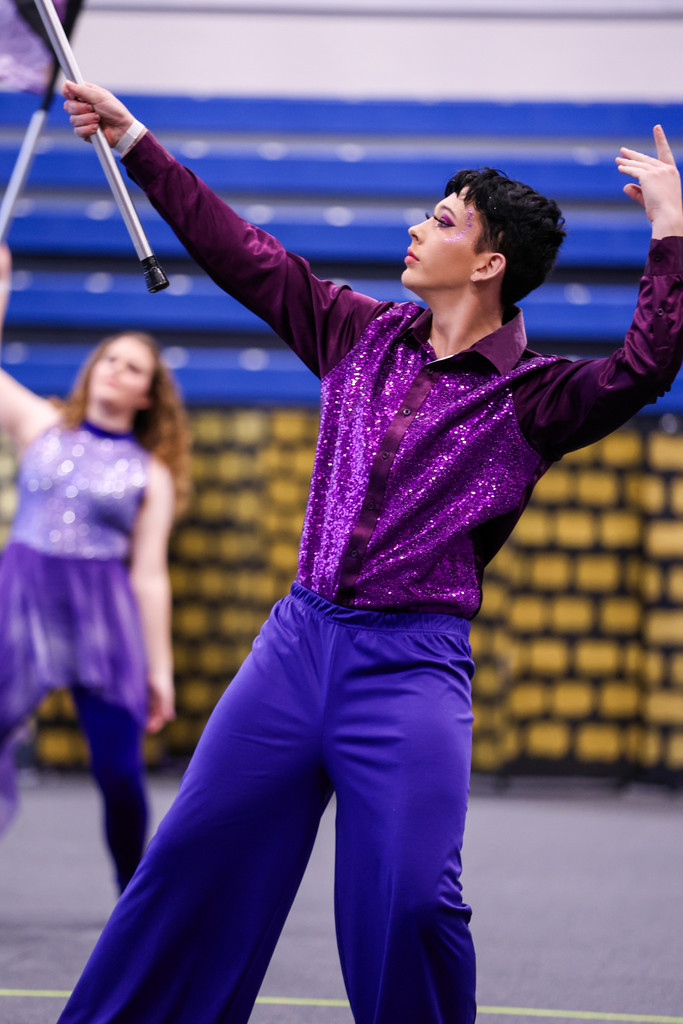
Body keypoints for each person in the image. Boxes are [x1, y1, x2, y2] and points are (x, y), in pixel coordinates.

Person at [56, 80, 683, 1024]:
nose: (417, 229)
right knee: (184, 866)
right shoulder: (357, 332)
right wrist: (135, 138)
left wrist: (670, 229)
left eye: (441, 220)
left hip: (411, 670)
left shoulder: (537, 398)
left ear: (486, 263)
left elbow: (647, 363)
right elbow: (242, 252)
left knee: (415, 902)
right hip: (294, 647)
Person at [0, 243, 191, 893]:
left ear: (147, 392)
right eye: (109, 357)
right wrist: (0, 286)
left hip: (102, 613)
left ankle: (133, 896)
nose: (116, 370)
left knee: (119, 772)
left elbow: (149, 574)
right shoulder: (42, 425)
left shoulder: (151, 473)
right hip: (22, 598)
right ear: (92, 369)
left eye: (133, 367)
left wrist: (157, 669)